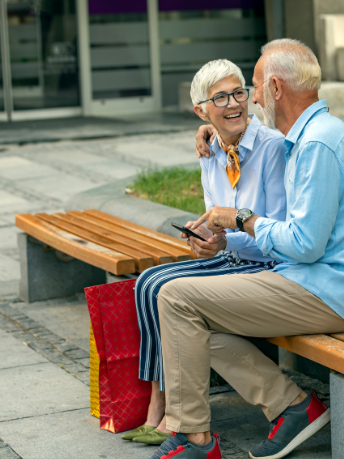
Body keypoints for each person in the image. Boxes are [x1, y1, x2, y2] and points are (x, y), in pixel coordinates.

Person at [148, 39, 344, 459]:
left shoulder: (318, 145)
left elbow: (306, 246)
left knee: (176, 297)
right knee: (192, 320)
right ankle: (292, 406)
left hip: (325, 291)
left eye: (252, 87)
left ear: (274, 88)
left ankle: (195, 438)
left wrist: (241, 219)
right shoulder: (306, 136)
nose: (249, 99)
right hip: (302, 280)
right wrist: (211, 131)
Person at [122, 59, 288, 446]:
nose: (234, 104)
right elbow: (216, 216)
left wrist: (225, 241)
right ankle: (156, 404)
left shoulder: (271, 150)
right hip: (230, 257)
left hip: (264, 263)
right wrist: (204, 238)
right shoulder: (211, 150)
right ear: (201, 110)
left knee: (162, 289)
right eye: (220, 98)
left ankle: (166, 415)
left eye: (238, 93)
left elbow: (276, 229)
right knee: (147, 282)